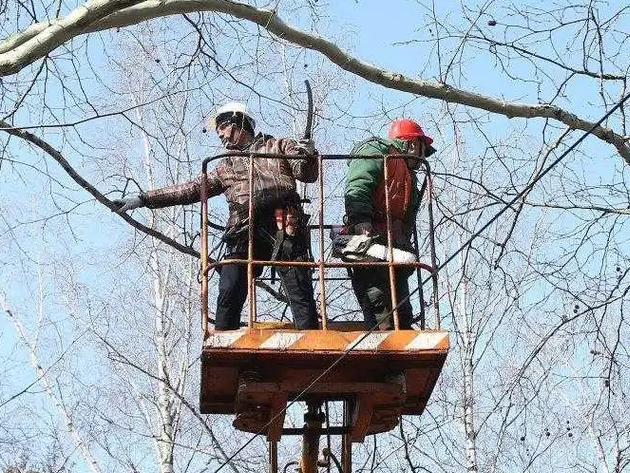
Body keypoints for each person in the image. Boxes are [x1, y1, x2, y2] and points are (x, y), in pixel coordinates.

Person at [112, 102, 320, 330]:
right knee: (229, 287)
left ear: (241, 122)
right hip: (243, 230)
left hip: (282, 225)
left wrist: (307, 153)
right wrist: (143, 199)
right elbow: (191, 189)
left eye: (223, 126)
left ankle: (312, 339)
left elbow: (306, 174)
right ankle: (224, 338)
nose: (219, 133)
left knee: (298, 287)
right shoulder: (226, 167)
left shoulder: (278, 146)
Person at [336, 118, 435, 330]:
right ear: (410, 144)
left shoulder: (409, 176)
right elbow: (359, 184)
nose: (422, 157)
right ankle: (386, 349)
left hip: (394, 247)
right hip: (370, 243)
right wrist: (361, 220)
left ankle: (399, 340)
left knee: (402, 313)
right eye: (421, 148)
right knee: (379, 305)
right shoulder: (377, 151)